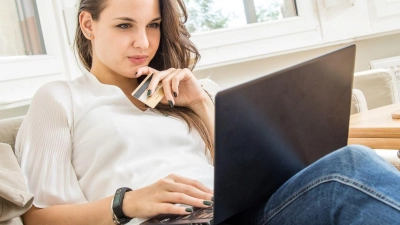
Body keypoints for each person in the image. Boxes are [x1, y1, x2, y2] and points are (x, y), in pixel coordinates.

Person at [15, 0, 400, 225]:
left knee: (351, 167)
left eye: (153, 25)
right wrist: (127, 202)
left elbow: (243, 173)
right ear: (88, 24)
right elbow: (37, 218)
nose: (143, 42)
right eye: (124, 25)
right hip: (162, 221)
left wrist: (199, 103)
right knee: (348, 168)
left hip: (235, 213)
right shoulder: (60, 98)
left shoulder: (185, 93)